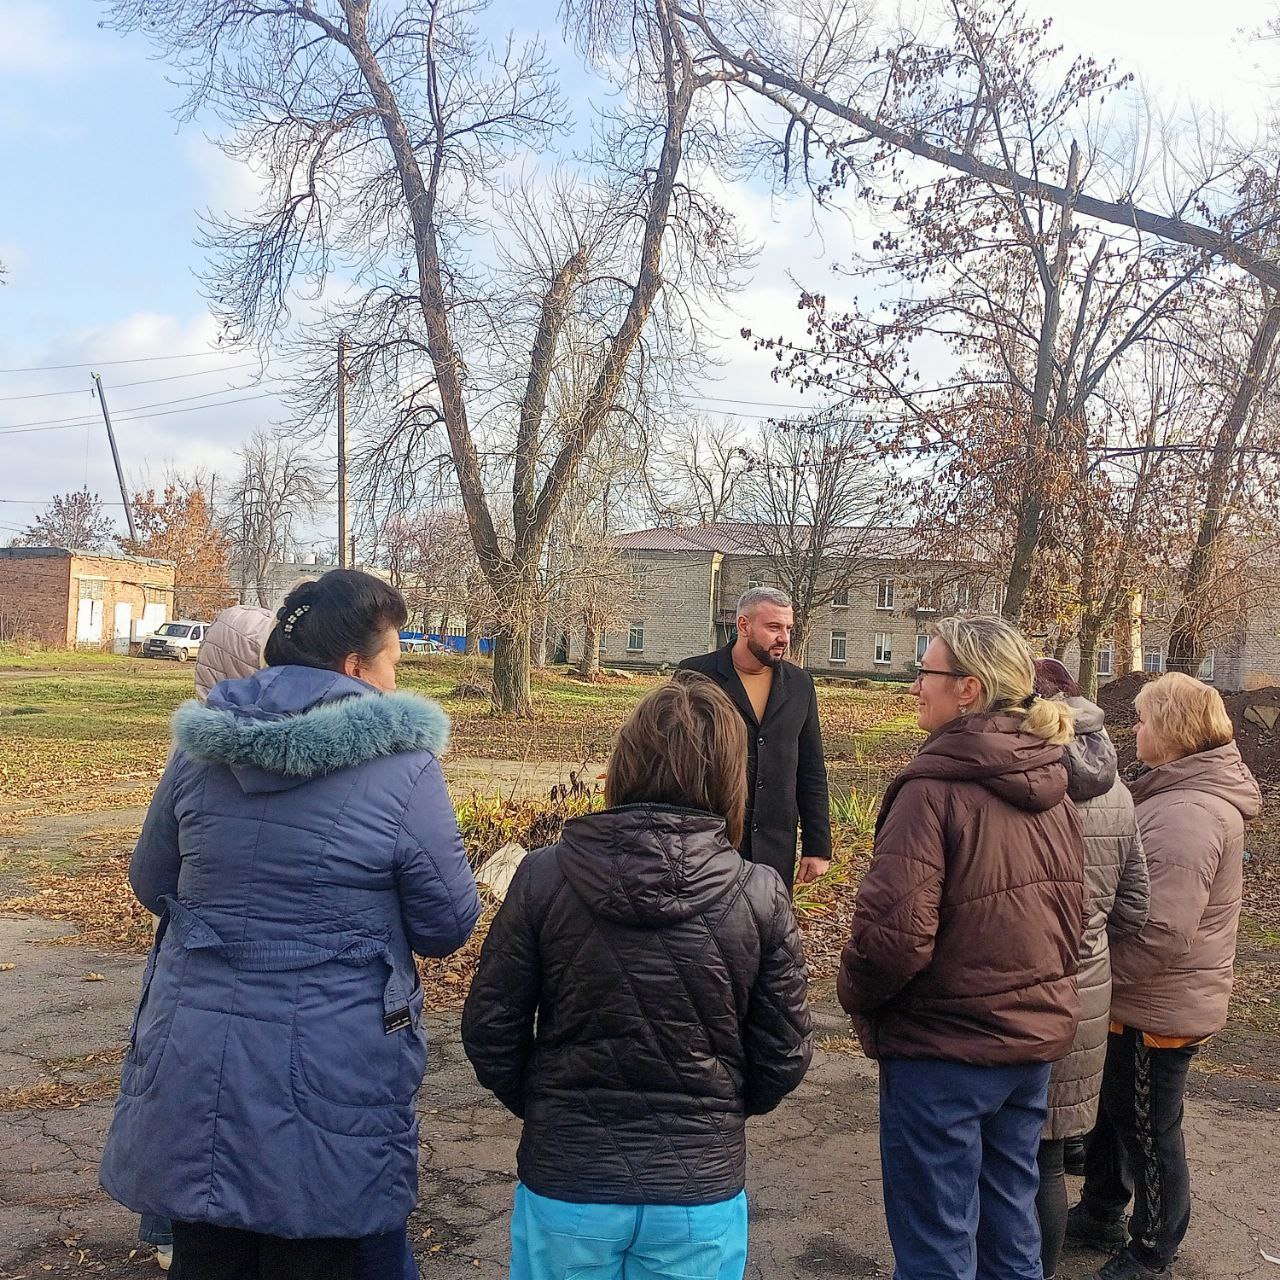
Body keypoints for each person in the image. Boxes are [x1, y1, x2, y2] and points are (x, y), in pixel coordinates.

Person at [100, 569, 482, 1280]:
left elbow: (153, 883)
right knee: (343, 1244)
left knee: (211, 1251)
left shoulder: (200, 746)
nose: (397, 678)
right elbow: (447, 922)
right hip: (338, 1062)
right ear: (353, 667)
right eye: (394, 659)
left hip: (197, 1056)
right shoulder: (405, 766)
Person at [461, 673, 813, 1280]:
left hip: (570, 1175)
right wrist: (717, 1112)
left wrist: (548, 1104)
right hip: (696, 1188)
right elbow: (782, 1051)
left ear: (624, 761)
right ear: (731, 776)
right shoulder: (758, 892)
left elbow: (492, 1028)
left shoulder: (545, 877)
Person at [838, 615, 1084, 1280]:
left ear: (969, 689)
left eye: (928, 672)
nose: (915, 684)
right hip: (1028, 1047)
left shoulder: (931, 789)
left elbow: (892, 941)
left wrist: (854, 998)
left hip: (943, 1054)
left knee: (936, 1248)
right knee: (1010, 1235)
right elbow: (1074, 920)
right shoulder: (1052, 782)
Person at [1070, 673, 1261, 1280]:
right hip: (1142, 1000)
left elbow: (1160, 931)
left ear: (1174, 731)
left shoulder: (1189, 814)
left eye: (1146, 719)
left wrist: (1095, 979)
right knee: (1114, 1117)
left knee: (1150, 1130)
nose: (1136, 731)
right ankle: (1102, 1210)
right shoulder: (1178, 795)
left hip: (1157, 1006)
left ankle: (1152, 1248)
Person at [141, 603, 280, 1271]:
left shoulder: (190, 743)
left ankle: (168, 1224)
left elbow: (150, 875)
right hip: (260, 959)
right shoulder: (298, 743)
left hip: (191, 948)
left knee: (178, 1082)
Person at [1030, 660, 1150, 1280]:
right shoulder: (1119, 791)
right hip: (1086, 988)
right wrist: (1092, 933)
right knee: (1050, 1159)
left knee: (1002, 1157)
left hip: (1021, 986)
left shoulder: (1024, 783)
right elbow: (1136, 906)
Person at [678, 586, 832, 892]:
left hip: (775, 851)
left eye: (788, 628)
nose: (784, 638)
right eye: (773, 627)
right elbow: (674, 763)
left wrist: (818, 846)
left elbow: (811, 769)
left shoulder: (800, 685)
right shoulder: (695, 675)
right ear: (744, 626)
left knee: (768, 936)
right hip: (708, 846)